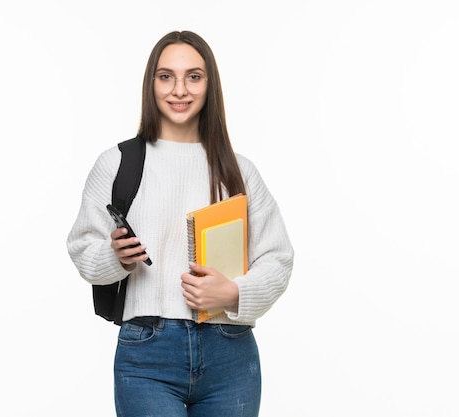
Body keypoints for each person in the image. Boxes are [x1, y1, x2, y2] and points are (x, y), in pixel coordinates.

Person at [67, 30, 294, 417]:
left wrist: (232, 294)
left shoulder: (239, 171)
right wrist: (116, 257)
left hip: (230, 354)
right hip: (146, 354)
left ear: (210, 85)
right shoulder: (116, 163)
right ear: (151, 83)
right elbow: (82, 249)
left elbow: (278, 260)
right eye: (166, 76)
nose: (179, 90)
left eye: (194, 76)